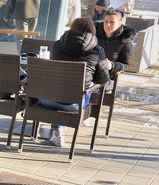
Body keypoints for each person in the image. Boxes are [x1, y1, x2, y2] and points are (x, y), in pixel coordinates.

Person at [42, 17, 109, 147]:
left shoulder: (57, 45)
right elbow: (102, 79)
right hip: (74, 106)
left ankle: (58, 131)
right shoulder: (97, 50)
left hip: (46, 100)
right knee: (82, 90)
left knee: (60, 88)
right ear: (92, 31)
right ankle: (82, 119)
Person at [96, 8, 134, 76]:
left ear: (120, 23)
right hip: (90, 71)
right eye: (106, 21)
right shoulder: (95, 34)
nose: (108, 25)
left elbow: (125, 65)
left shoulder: (125, 39)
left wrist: (112, 65)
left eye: (112, 22)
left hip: (108, 75)